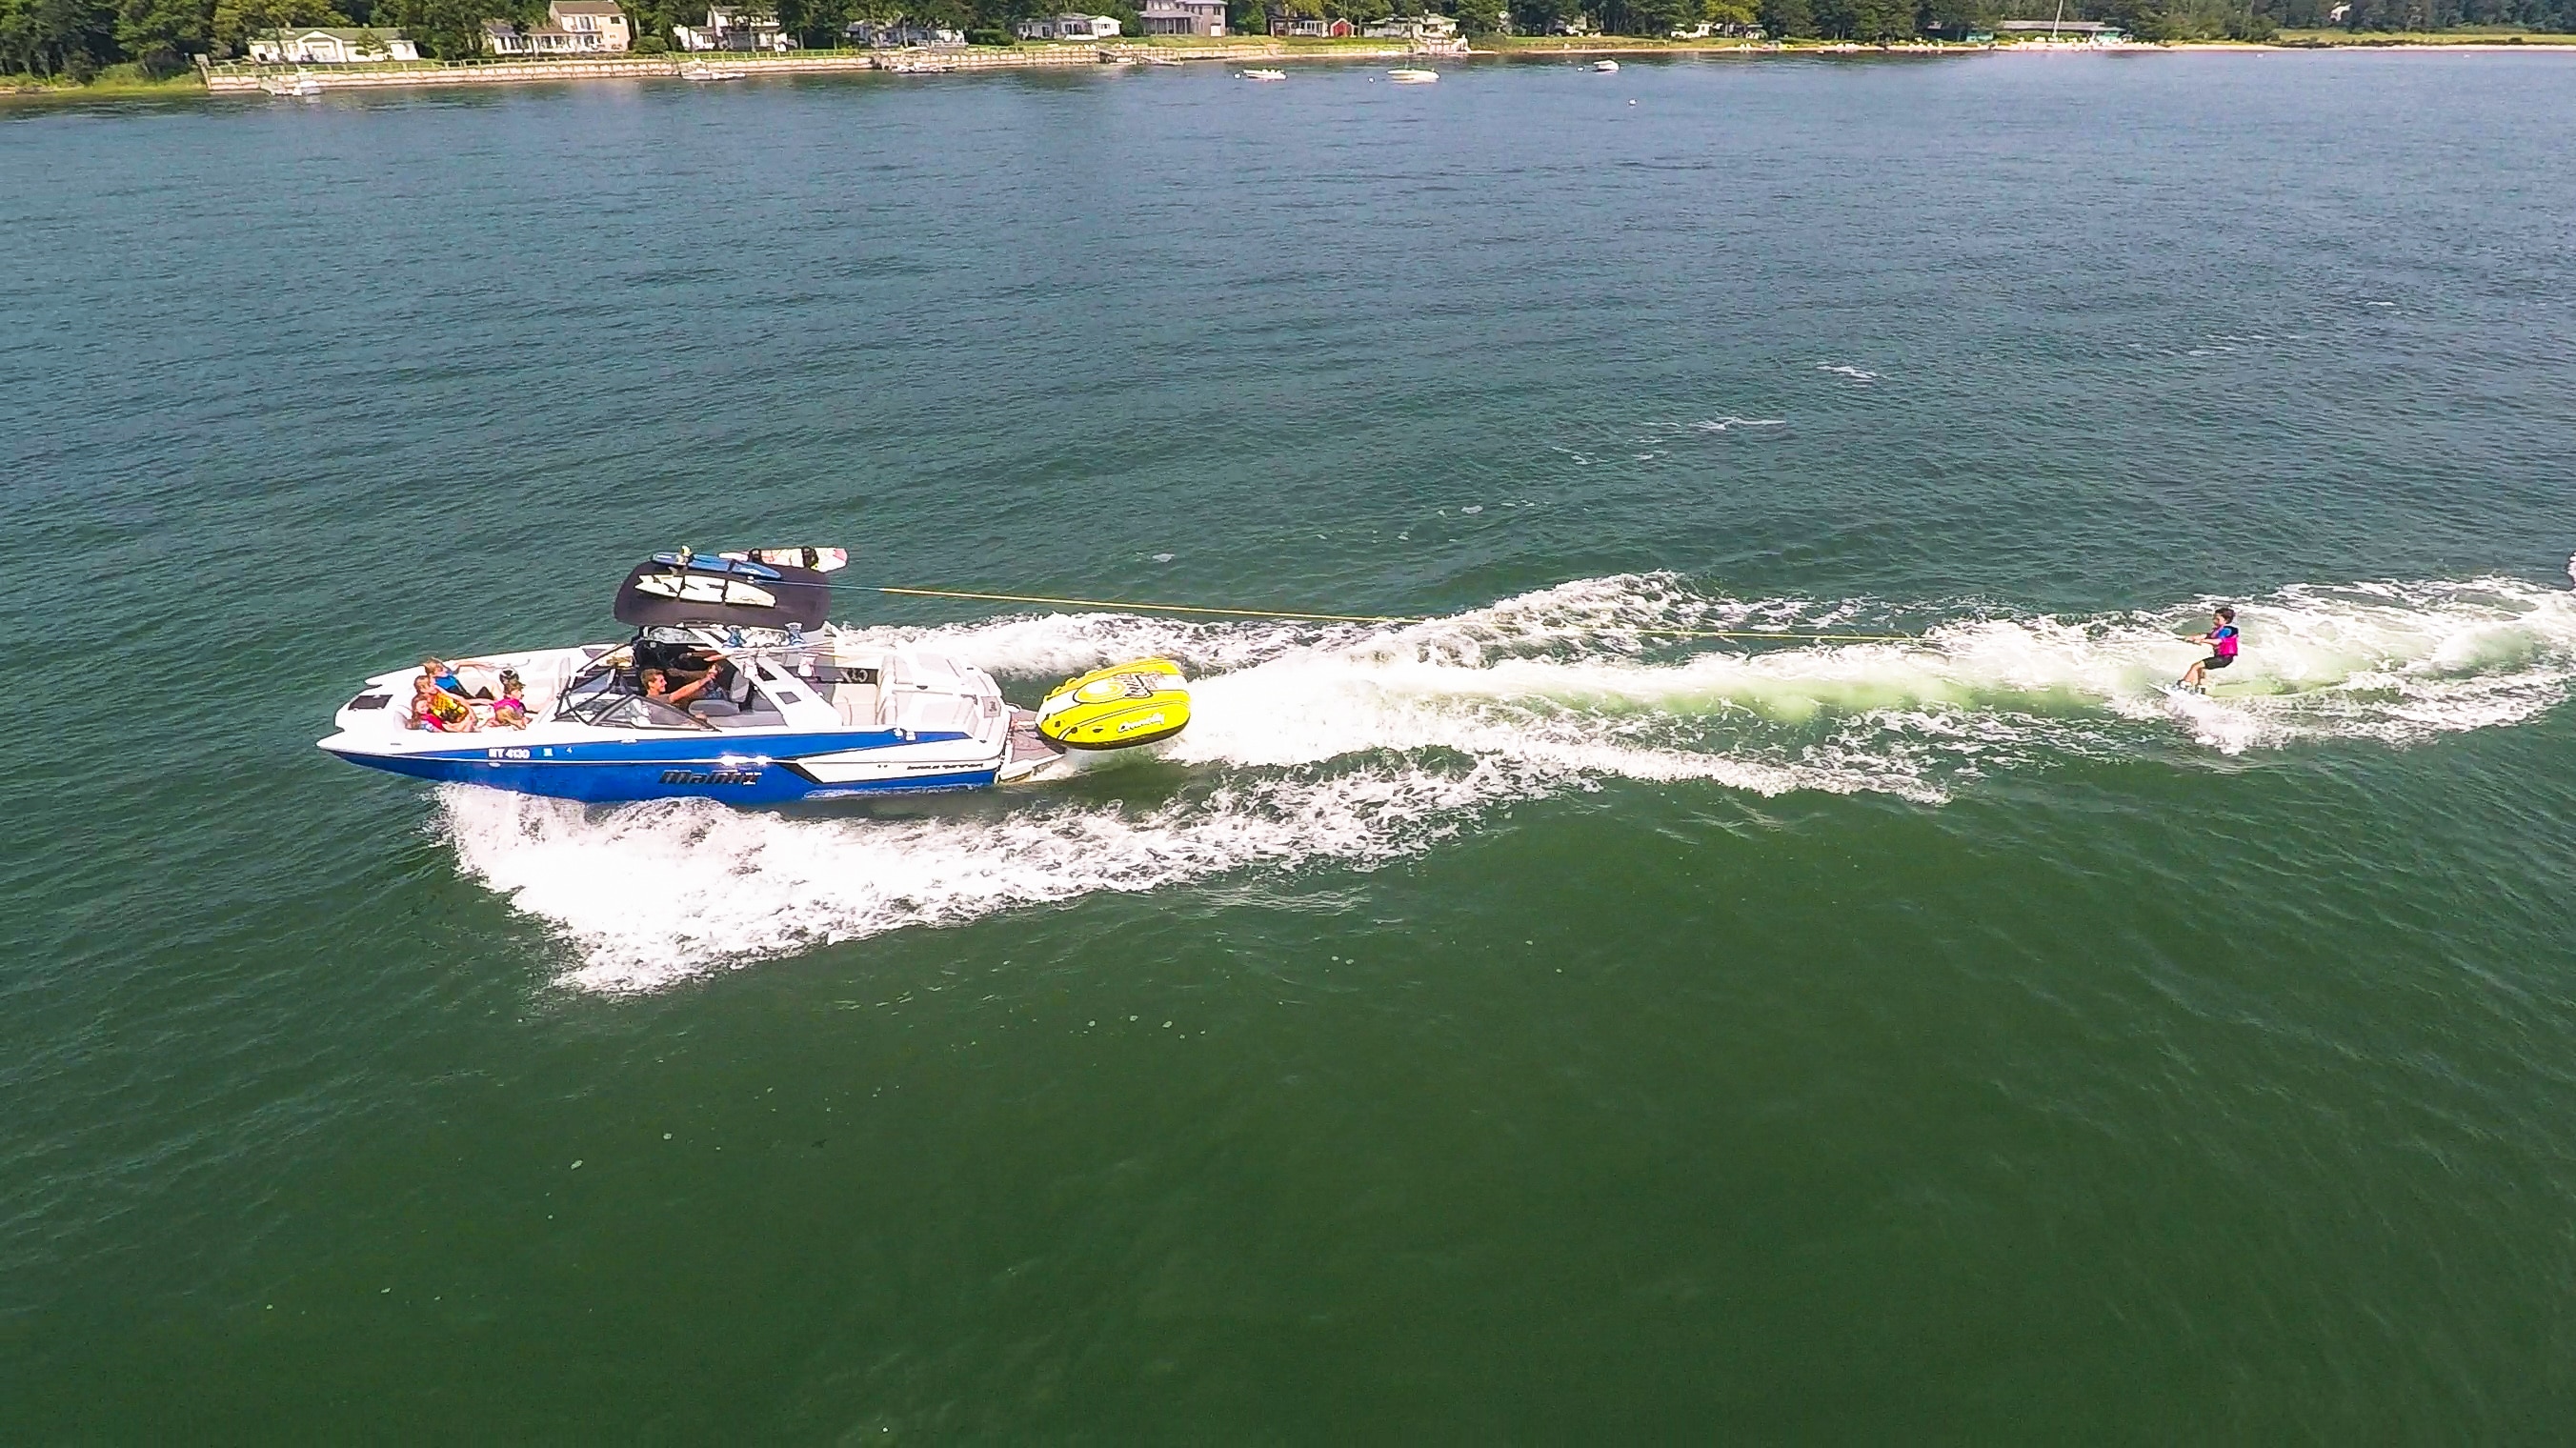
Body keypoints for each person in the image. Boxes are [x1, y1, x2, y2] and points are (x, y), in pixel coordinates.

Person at [2178, 607, 2240, 693]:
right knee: (2201, 668)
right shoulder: (2217, 631)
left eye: (2217, 619)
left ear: (2226, 620)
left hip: (2224, 658)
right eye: (2214, 618)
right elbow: (2206, 635)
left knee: (2195, 666)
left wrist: (2202, 641)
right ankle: (2201, 688)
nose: (2214, 620)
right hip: (2221, 658)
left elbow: (2218, 641)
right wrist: (2193, 638)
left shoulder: (2227, 630)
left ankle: (2183, 685)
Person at [409, 674, 474, 732]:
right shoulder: (423, 702)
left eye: (434, 684)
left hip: (452, 714)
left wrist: (470, 712)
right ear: (422, 690)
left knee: (468, 719)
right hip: (447, 720)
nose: (435, 686)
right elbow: (438, 721)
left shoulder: (437, 690)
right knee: (467, 723)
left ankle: (467, 722)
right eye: (431, 686)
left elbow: (459, 698)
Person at [640, 667, 713, 714]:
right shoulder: (654, 700)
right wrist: (707, 679)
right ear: (651, 684)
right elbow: (682, 692)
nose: (665, 683)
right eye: (661, 681)